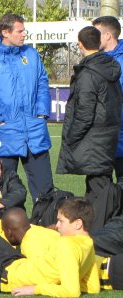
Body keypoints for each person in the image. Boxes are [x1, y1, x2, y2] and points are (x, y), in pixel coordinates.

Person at [0, 13, 53, 203]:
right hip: (4, 133)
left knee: (45, 192)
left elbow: (42, 83)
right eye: (20, 31)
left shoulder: (31, 54)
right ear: (5, 32)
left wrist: (41, 113)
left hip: (34, 132)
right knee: (6, 194)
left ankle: (44, 228)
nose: (24, 34)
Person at [57, 26, 122, 231]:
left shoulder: (88, 73)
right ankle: (95, 227)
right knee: (96, 184)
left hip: (93, 137)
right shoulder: (110, 66)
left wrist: (71, 137)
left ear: (80, 44)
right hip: (107, 135)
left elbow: (84, 113)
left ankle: (100, 232)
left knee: (99, 188)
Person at [92, 16, 123, 183]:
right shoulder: (95, 60)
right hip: (102, 134)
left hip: (120, 129)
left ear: (108, 35)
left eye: (96, 33)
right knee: (100, 187)